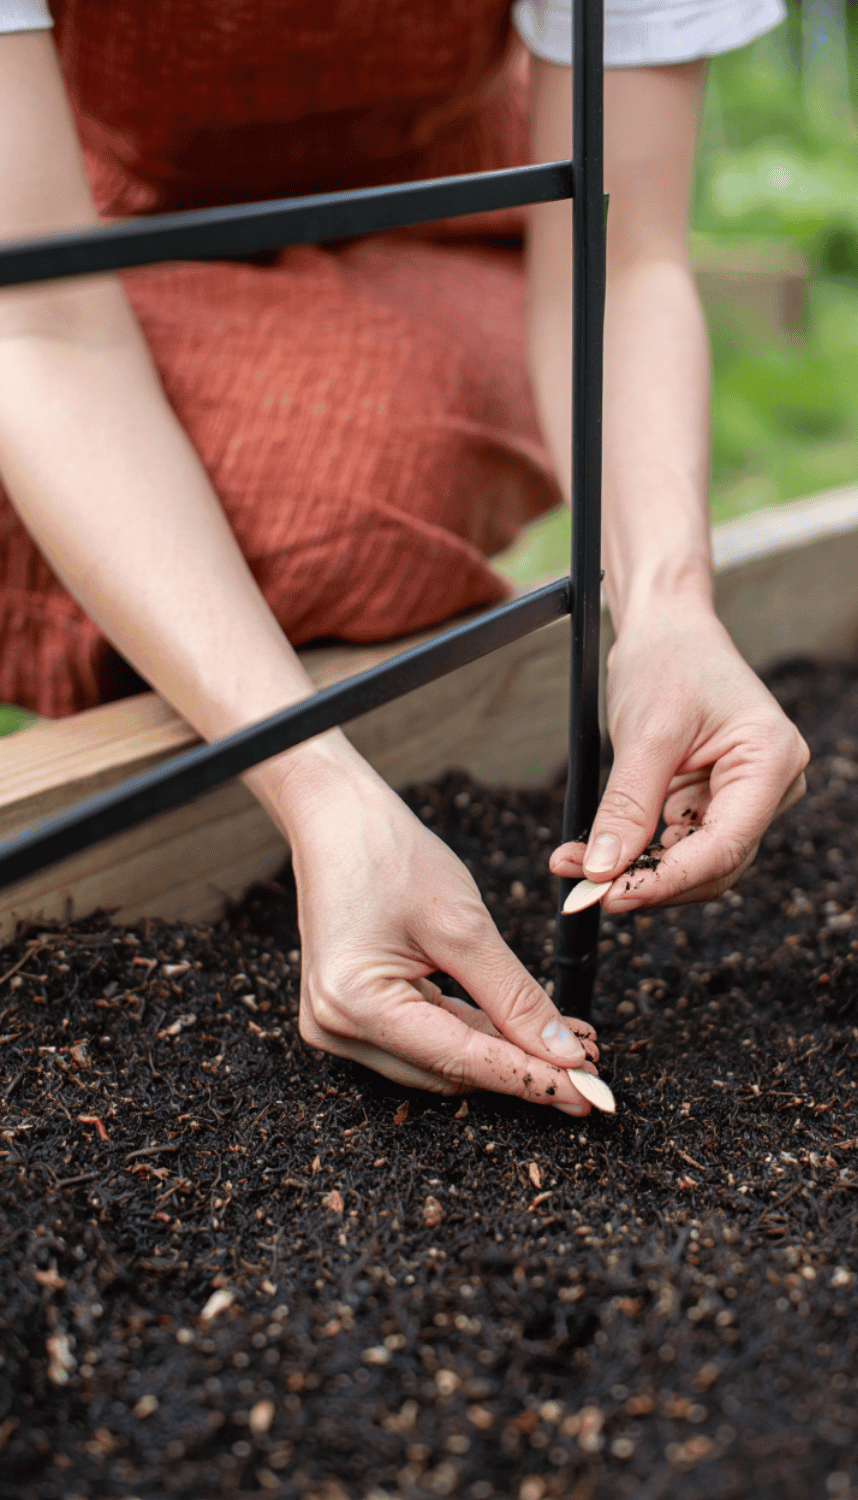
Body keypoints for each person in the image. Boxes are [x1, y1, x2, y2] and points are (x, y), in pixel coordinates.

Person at [0, 0, 808, 1116]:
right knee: (172, 479)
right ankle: (246, 782)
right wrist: (320, 788)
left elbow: (620, 262)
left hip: (443, 222)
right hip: (78, 234)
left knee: (357, 483)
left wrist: (669, 603)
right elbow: (39, 330)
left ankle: (192, 725)